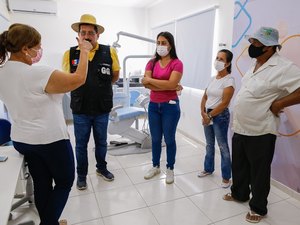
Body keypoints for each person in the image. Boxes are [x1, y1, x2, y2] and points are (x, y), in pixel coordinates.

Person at [0, 23, 92, 225]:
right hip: (50, 140)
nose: (39, 51)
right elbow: (78, 79)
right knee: (65, 181)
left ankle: (49, 220)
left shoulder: (2, 72)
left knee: (42, 183)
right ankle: (49, 223)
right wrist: (84, 51)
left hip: (22, 139)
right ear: (25, 48)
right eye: (37, 47)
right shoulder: (37, 73)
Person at [223, 27, 300, 223]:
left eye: (256, 43)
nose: (252, 46)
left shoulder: (283, 67)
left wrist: (280, 103)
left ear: (269, 47)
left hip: (261, 129)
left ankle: (258, 207)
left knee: (259, 171)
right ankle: (239, 193)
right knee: (239, 165)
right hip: (240, 126)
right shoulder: (255, 65)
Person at [62, 14, 120, 190]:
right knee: (81, 144)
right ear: (78, 36)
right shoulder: (70, 53)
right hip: (80, 110)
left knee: (101, 142)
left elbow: (115, 76)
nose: (87, 36)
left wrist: (98, 88)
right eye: (83, 33)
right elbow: (68, 79)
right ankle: (81, 175)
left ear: (97, 35)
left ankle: (101, 168)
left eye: (90, 33)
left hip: (102, 108)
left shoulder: (109, 51)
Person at [142, 31, 183, 184]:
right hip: (153, 106)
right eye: (158, 42)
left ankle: (170, 168)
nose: (160, 46)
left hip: (170, 107)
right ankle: (155, 166)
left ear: (170, 45)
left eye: (164, 42)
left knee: (170, 139)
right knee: (156, 139)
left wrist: (153, 82)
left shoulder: (177, 63)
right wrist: (168, 86)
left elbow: (171, 84)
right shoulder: (151, 62)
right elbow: (145, 84)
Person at [198, 49, 235, 189]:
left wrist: (209, 116)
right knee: (209, 144)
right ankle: (208, 169)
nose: (218, 61)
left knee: (223, 146)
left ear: (228, 63)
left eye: (221, 59)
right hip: (207, 114)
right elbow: (205, 96)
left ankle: (226, 177)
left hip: (220, 116)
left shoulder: (229, 80)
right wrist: (203, 112)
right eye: (217, 58)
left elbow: (224, 103)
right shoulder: (213, 78)